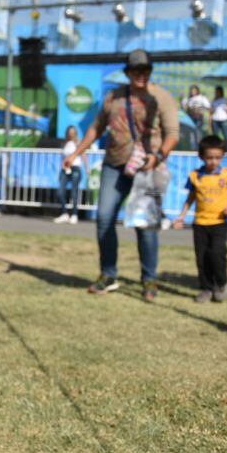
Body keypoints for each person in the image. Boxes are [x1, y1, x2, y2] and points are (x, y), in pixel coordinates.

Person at [64, 49, 179, 302]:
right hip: (114, 165)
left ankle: (149, 279)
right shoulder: (114, 97)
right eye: (135, 70)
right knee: (104, 218)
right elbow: (96, 127)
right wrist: (75, 154)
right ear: (127, 73)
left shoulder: (161, 97)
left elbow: (172, 133)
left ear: (150, 72)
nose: (140, 74)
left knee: (145, 226)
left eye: (145, 70)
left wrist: (158, 156)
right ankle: (108, 274)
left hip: (146, 169)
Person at [172, 135, 227, 303]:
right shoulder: (195, 176)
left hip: (219, 223)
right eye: (209, 158)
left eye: (217, 157)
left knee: (217, 253)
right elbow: (190, 198)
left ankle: (222, 283)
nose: (213, 162)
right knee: (202, 258)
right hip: (200, 223)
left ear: (222, 156)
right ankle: (206, 288)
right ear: (201, 156)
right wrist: (181, 217)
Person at [55, 125, 82, 224]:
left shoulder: (78, 142)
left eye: (73, 132)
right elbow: (63, 157)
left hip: (75, 168)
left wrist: (87, 168)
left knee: (74, 192)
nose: (71, 134)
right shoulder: (64, 143)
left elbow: (83, 155)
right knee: (60, 191)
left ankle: (74, 214)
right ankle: (64, 213)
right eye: (69, 132)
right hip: (65, 168)